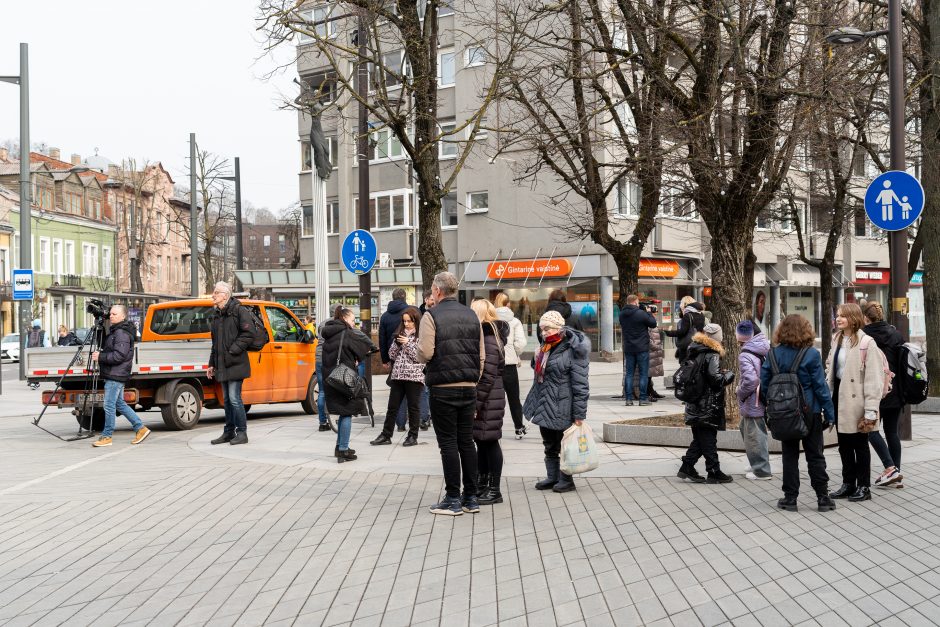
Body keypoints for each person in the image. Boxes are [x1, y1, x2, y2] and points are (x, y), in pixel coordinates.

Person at [417, 272, 485, 516]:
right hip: (468, 386)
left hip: (442, 387)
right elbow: (481, 355)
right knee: (466, 442)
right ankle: (471, 497)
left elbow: (425, 352)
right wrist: (472, 378)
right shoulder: (471, 315)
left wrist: (417, 351)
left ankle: (453, 498)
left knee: (448, 443)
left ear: (437, 291)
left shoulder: (430, 316)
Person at [760, 315, 836, 512]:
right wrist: (829, 413)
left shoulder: (772, 354)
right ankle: (823, 498)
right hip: (809, 411)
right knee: (815, 455)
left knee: (789, 455)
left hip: (784, 413)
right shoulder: (811, 354)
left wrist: (770, 410)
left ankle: (790, 498)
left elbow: (765, 385)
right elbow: (820, 387)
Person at [524, 310, 590, 493]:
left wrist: (579, 415)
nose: (543, 333)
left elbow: (581, 384)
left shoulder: (573, 349)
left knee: (565, 444)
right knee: (549, 443)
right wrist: (535, 357)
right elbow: (539, 370)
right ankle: (552, 477)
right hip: (545, 402)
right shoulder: (546, 347)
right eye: (542, 329)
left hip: (563, 404)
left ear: (559, 328)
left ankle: (566, 479)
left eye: (547, 329)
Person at [826, 303, 885, 503]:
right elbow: (830, 365)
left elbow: (873, 379)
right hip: (839, 396)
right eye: (838, 315)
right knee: (843, 444)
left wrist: (870, 410)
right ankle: (848, 483)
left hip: (857, 400)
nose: (838, 319)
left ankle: (864, 486)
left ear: (854, 318)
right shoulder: (837, 338)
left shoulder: (867, 342)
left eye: (843, 316)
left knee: (859, 444)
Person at [676, 323, 735, 484]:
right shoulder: (711, 354)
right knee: (708, 438)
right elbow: (715, 380)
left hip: (694, 402)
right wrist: (729, 375)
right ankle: (713, 471)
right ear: (717, 338)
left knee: (701, 439)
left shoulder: (694, 350)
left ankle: (687, 466)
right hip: (707, 404)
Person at [321, 307, 378, 462]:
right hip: (344, 380)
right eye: (353, 320)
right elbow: (365, 349)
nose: (354, 323)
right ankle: (344, 450)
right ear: (345, 319)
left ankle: (339, 446)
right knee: (346, 412)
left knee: (341, 411)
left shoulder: (328, 334)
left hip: (331, 379)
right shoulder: (348, 334)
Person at [90, 305, 150, 447]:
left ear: (123, 316)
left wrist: (101, 357)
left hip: (115, 374)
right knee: (119, 404)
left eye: (114, 314)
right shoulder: (116, 331)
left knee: (109, 405)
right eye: (110, 314)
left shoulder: (121, 333)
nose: (111, 316)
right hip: (115, 373)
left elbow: (119, 356)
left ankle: (107, 436)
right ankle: (140, 428)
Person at [861, 301, 905, 488]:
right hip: (895, 390)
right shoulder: (895, 334)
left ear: (865, 317)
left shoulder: (865, 337)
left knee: (871, 431)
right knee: (892, 432)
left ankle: (890, 468)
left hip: (876, 391)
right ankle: (896, 471)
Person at [470, 299, 509, 505]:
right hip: (489, 396)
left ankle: (494, 490)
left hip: (488, 397)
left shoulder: (489, 337)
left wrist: (475, 403)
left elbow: (487, 375)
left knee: (490, 442)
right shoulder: (487, 336)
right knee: (482, 441)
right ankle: (482, 485)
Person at [207, 282, 255, 446]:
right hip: (222, 364)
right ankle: (228, 432)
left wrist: (233, 350)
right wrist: (211, 363)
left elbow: (249, 334)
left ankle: (242, 433)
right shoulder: (216, 315)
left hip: (236, 362)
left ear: (225, 295)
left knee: (235, 399)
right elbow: (215, 343)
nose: (213, 295)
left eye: (216, 292)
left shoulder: (239, 311)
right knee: (227, 400)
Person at [371, 307, 425, 447]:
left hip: (414, 376)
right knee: (392, 407)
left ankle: (413, 436)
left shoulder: (422, 336)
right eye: (404, 321)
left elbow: (418, 357)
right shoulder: (400, 333)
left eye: (409, 321)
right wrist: (396, 344)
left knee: (413, 407)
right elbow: (392, 355)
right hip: (398, 375)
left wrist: (407, 343)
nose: (406, 324)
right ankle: (386, 435)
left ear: (416, 321)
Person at [735, 320, 772, 480]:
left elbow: (750, 380)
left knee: (755, 434)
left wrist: (739, 392)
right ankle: (755, 461)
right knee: (746, 428)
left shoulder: (746, 354)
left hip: (753, 399)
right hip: (764, 396)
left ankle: (761, 470)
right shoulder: (764, 347)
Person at [493, 293, 528, 438]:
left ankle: (493, 428)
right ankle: (519, 427)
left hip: (493, 363)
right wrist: (515, 354)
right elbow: (521, 343)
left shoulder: (490, 320)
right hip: (509, 365)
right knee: (514, 398)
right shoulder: (515, 321)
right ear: (508, 304)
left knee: (493, 397)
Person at [379, 288, 411, 432]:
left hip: (394, 358)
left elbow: (382, 338)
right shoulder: (412, 312)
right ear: (404, 298)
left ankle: (400, 423)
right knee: (415, 392)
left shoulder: (385, 316)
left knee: (398, 391)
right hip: (412, 356)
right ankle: (420, 420)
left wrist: (385, 359)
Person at [619, 295, 657, 406]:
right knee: (643, 374)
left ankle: (628, 399)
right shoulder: (641, 313)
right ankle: (643, 399)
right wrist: (649, 312)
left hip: (629, 347)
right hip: (642, 348)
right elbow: (653, 323)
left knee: (629, 374)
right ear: (635, 302)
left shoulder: (622, 314)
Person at [646, 306, 666, 401]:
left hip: (654, 351)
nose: (656, 314)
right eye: (654, 312)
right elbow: (649, 338)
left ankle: (651, 391)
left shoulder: (653, 321)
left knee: (650, 374)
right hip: (651, 351)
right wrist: (656, 346)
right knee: (648, 374)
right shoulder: (649, 322)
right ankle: (648, 393)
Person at [315, 321, 330, 432]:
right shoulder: (337, 323)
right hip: (329, 358)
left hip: (319, 358)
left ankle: (322, 423)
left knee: (322, 391)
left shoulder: (322, 323)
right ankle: (339, 419)